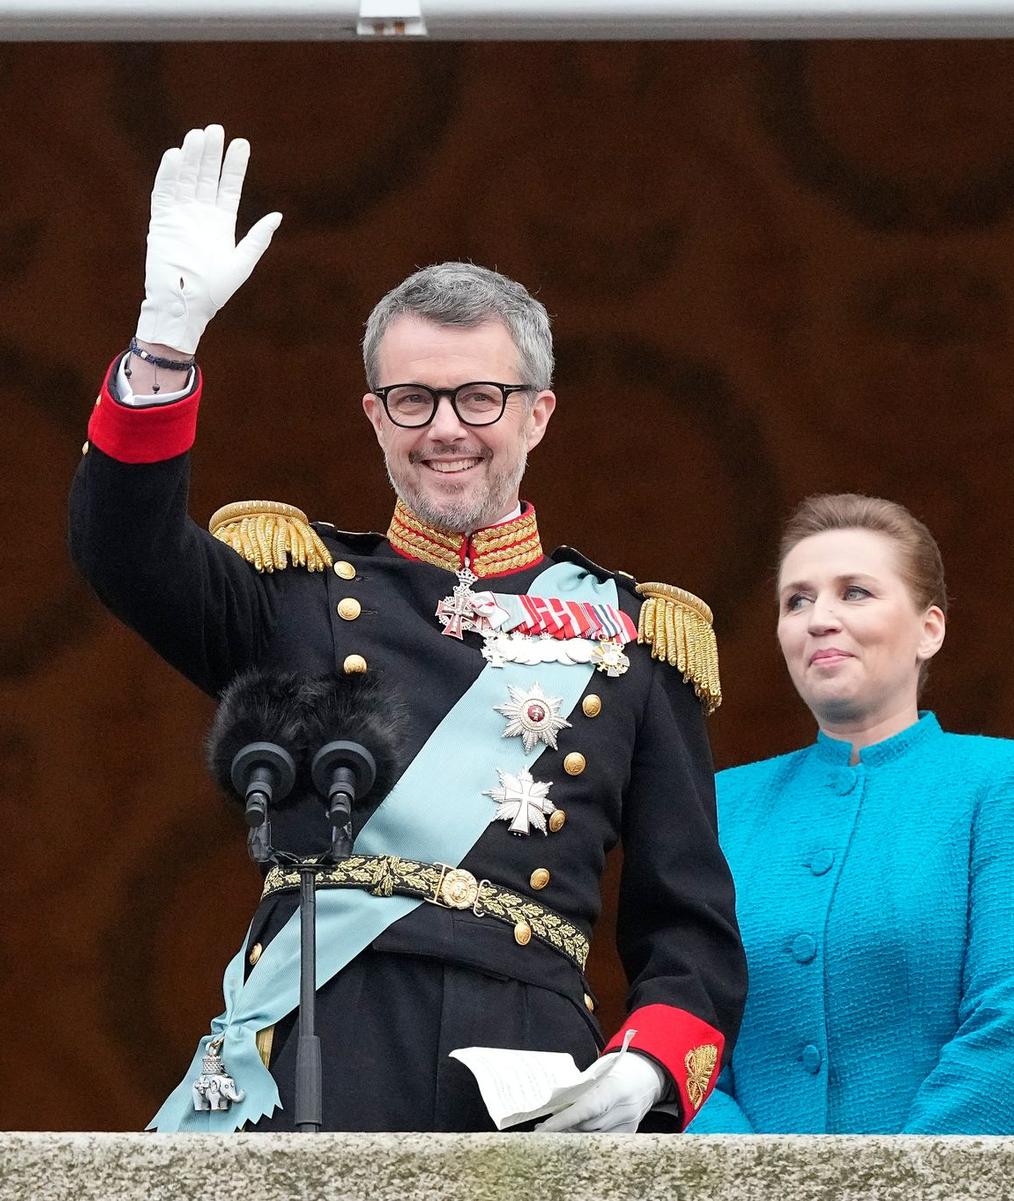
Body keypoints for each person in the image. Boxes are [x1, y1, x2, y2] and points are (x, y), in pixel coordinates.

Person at [69, 125, 745, 1134]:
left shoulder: (637, 640)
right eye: (414, 399)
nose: (446, 428)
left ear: (538, 414)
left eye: (480, 397)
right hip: (321, 1042)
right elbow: (122, 550)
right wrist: (164, 343)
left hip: (529, 1065)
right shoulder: (293, 591)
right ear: (376, 416)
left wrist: (650, 1066)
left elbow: (690, 928)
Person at [688, 493, 1014, 1135]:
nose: (819, 619)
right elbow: (688, 1036)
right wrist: (745, 1178)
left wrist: (906, 1178)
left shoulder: (996, 783)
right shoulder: (721, 805)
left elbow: (1006, 1020)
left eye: (855, 593)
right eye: (796, 601)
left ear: (930, 630)